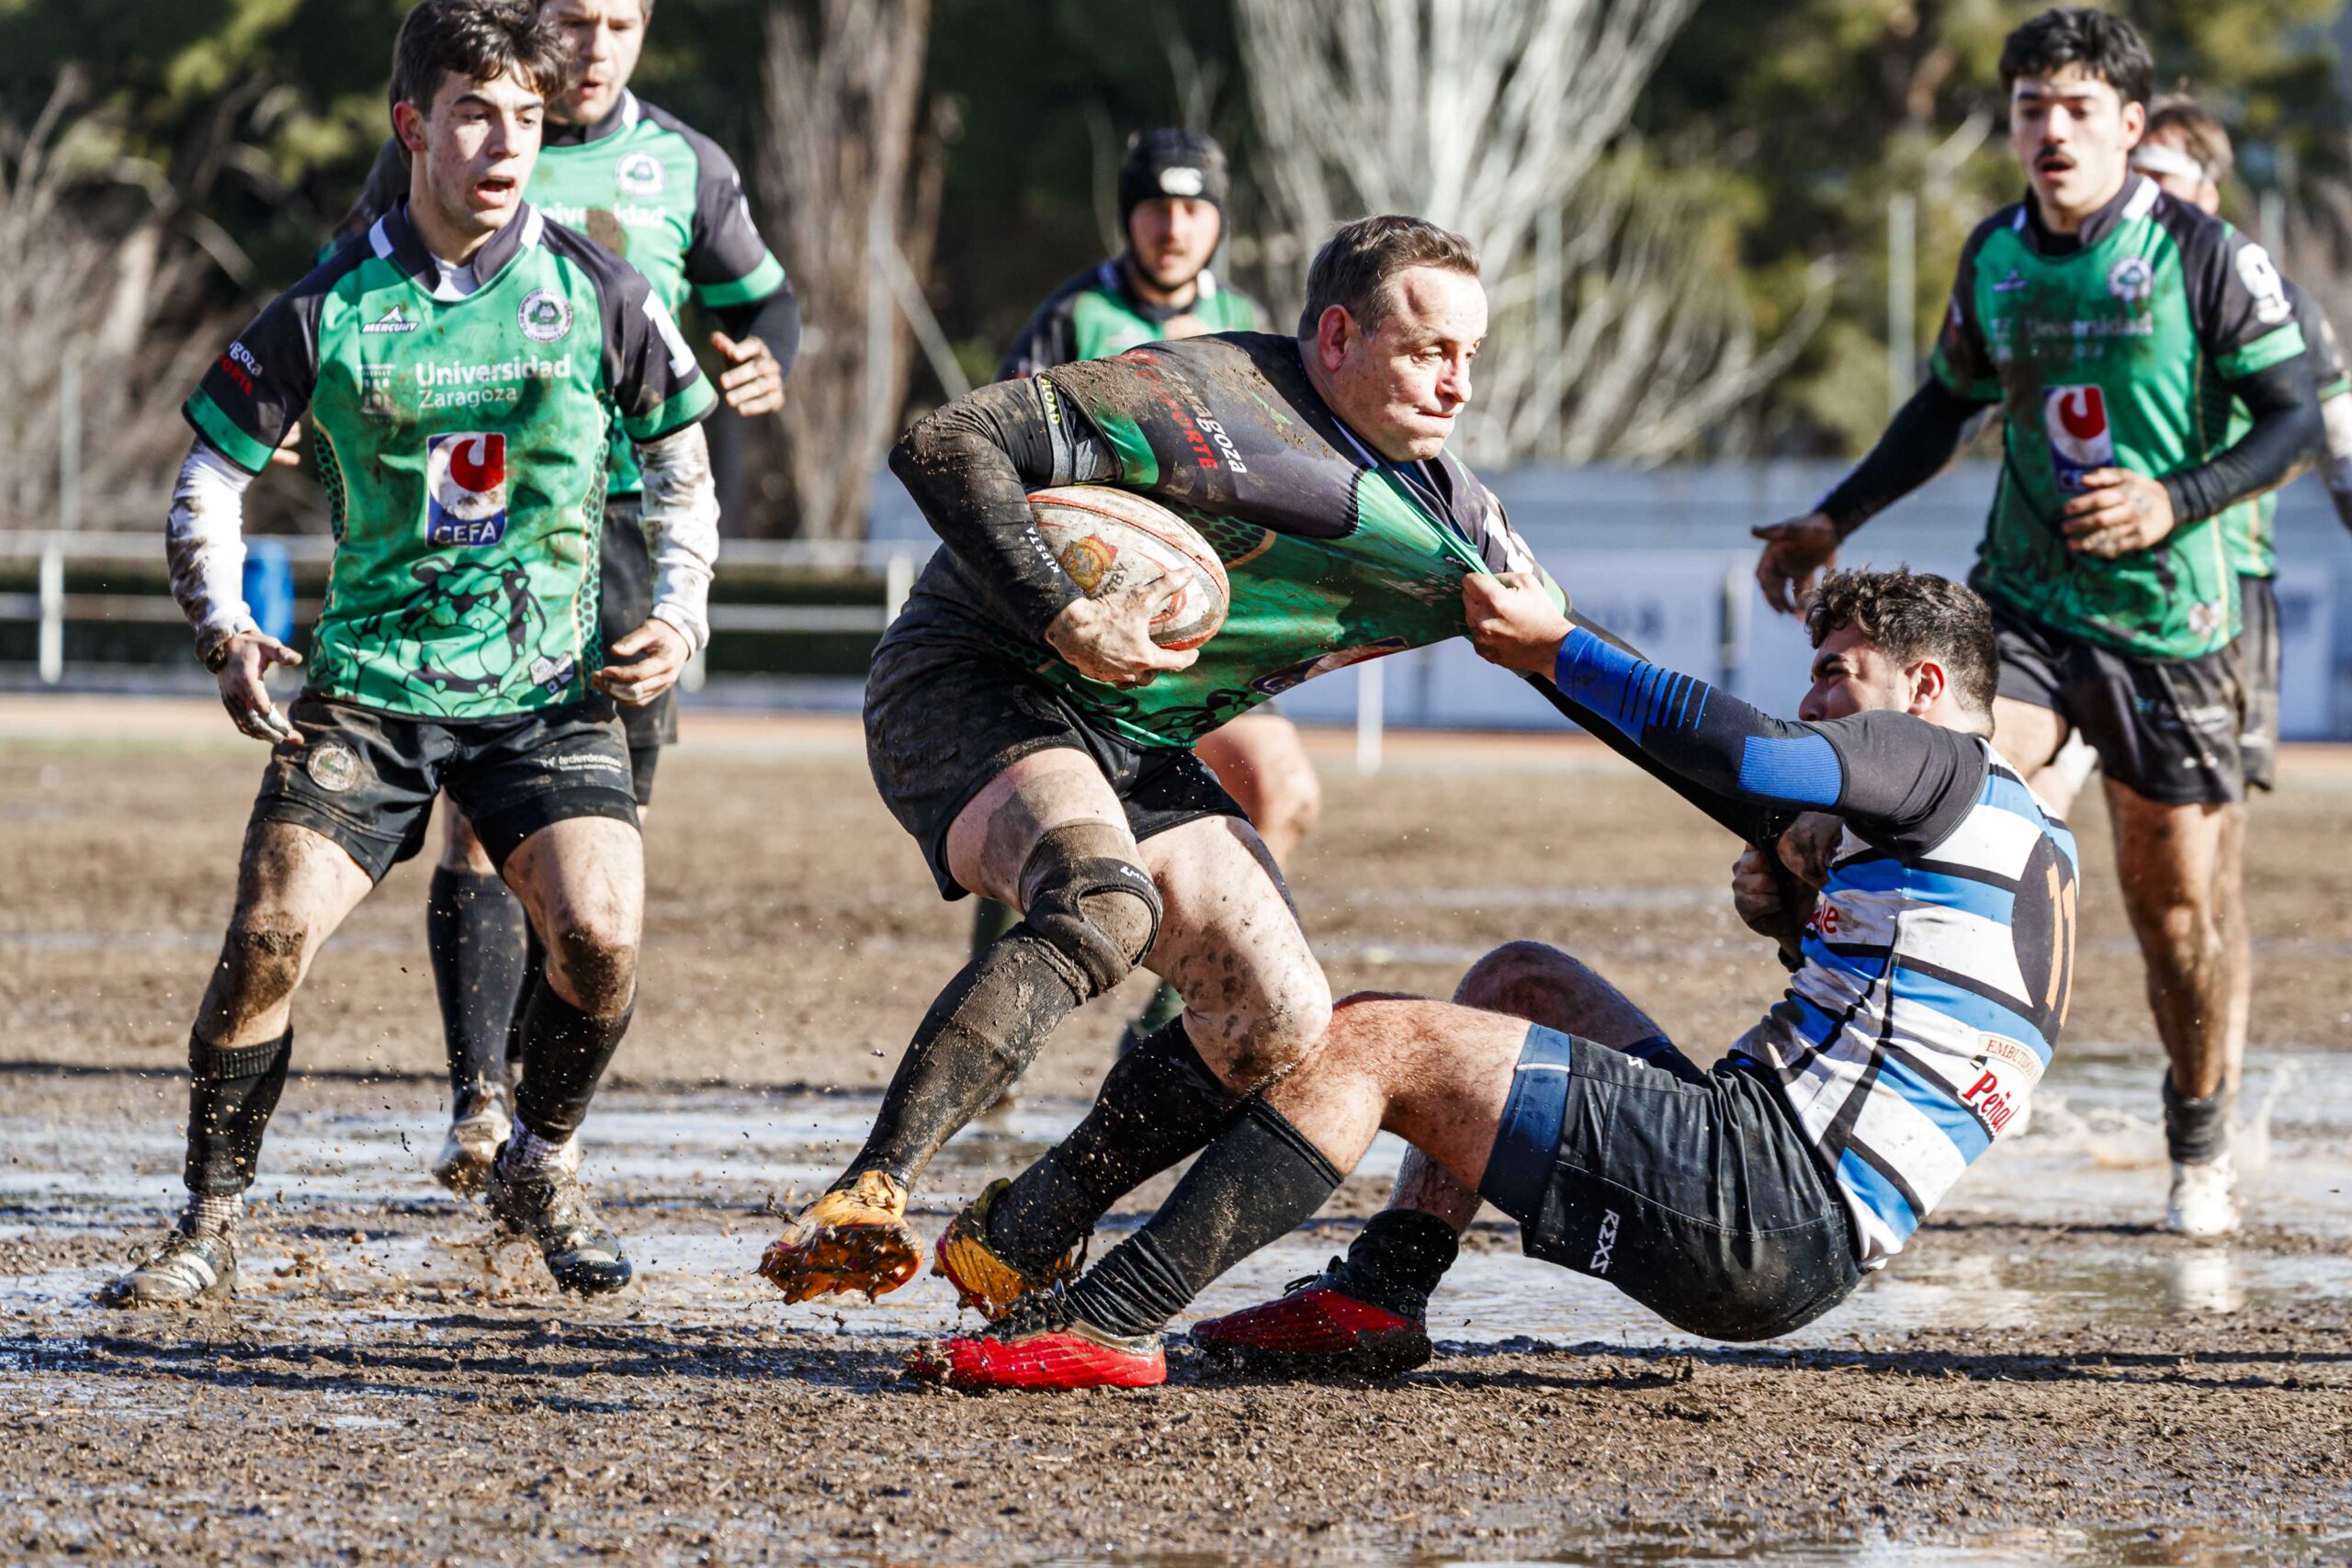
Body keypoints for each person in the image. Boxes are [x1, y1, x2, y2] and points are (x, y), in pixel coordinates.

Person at [917, 566, 2077, 1389]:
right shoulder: (2021, 835)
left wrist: (1558, 646)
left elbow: (1749, 756)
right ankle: (1383, 1292)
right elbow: (1864, 971)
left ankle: (1114, 1321)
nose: (1817, 702)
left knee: (1371, 1039)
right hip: (1803, 1220)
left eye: (1837, 675)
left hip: (1761, 1195)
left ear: (1925, 689)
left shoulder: (1935, 758)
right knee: (1518, 977)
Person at [755, 215, 1561, 1310]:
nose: (1459, 384)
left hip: (1130, 733)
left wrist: (1806, 825)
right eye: (1429, 351)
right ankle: (868, 1193)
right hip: (976, 676)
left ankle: (1030, 1222)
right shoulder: (1207, 393)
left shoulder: (1452, 522)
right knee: (1104, 902)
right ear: (1335, 335)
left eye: (1472, 355)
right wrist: (1063, 612)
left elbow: (1578, 651)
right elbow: (945, 442)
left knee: (1278, 1013)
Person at [105, 0, 719, 1306]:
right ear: (415, 126)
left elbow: (680, 463)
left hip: (546, 691)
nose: (505, 145)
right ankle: (208, 1218)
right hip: (372, 693)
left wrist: (678, 609)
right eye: (476, 115)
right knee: (270, 932)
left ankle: (541, 1161)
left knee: (602, 937)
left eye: (529, 120)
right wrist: (221, 624)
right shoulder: (332, 306)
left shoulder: (599, 290)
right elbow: (207, 475)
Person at [1750, 9, 2320, 1236]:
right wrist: (1829, 516)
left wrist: (2179, 496)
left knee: (2174, 909)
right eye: (2029, 110)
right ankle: (1857, 1068)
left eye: (2075, 110)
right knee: (1931, 774)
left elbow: (2293, 416)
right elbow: (1944, 404)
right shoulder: (1994, 255)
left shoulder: (2209, 257)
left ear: (2129, 124)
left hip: (2177, 622)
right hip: (2022, 602)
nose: (2051, 132)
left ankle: (2200, 1142)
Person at [330, 0, 798, 1194]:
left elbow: (765, 303)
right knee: (482, 813)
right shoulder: (450, 139)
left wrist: (764, 359)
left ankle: (549, 1111)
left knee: (594, 835)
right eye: (576, 21)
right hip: (486, 519)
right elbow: (338, 302)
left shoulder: (688, 164)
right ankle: (478, 1095)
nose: (597, 46)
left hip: (635, 527)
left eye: (621, 23)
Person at [972, 128, 1322, 1060]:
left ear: (1218, 219)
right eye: (1156, 205)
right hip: (1075, 628)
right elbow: (994, 467)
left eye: (1194, 206)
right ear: (1127, 213)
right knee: (1036, 827)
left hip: (1198, 634)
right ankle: (996, 1006)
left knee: (1280, 786)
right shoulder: (1071, 320)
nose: (1175, 226)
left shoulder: (1246, 322)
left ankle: (1167, 1028)